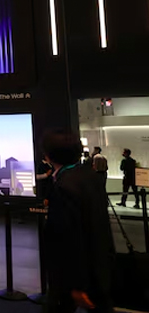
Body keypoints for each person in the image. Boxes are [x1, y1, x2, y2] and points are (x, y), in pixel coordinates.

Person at [43, 129, 115, 313]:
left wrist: (77, 285)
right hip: (99, 267)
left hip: (73, 277)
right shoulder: (90, 177)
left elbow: (69, 239)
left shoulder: (64, 187)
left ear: (48, 156)